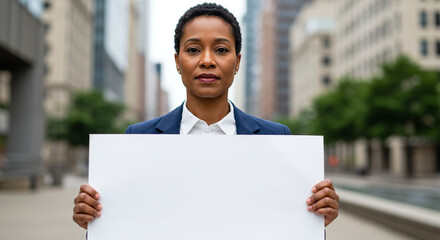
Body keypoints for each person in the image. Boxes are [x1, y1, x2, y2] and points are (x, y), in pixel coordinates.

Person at [73, 3, 339, 231]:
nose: (207, 60)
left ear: (237, 61)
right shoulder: (138, 138)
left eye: (221, 50)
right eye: (193, 50)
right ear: (177, 61)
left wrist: (314, 220)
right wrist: (95, 220)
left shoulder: (277, 138)